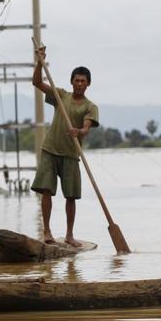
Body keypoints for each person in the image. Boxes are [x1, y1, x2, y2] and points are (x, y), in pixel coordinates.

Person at [31, 46, 99, 246]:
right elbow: (36, 82)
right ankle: (47, 232)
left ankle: (69, 235)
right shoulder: (61, 95)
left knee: (71, 196)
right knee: (46, 190)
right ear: (72, 82)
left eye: (83, 81)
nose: (79, 84)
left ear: (88, 84)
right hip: (50, 149)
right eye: (76, 80)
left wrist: (79, 132)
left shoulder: (90, 106)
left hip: (71, 154)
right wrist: (39, 62)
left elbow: (87, 128)